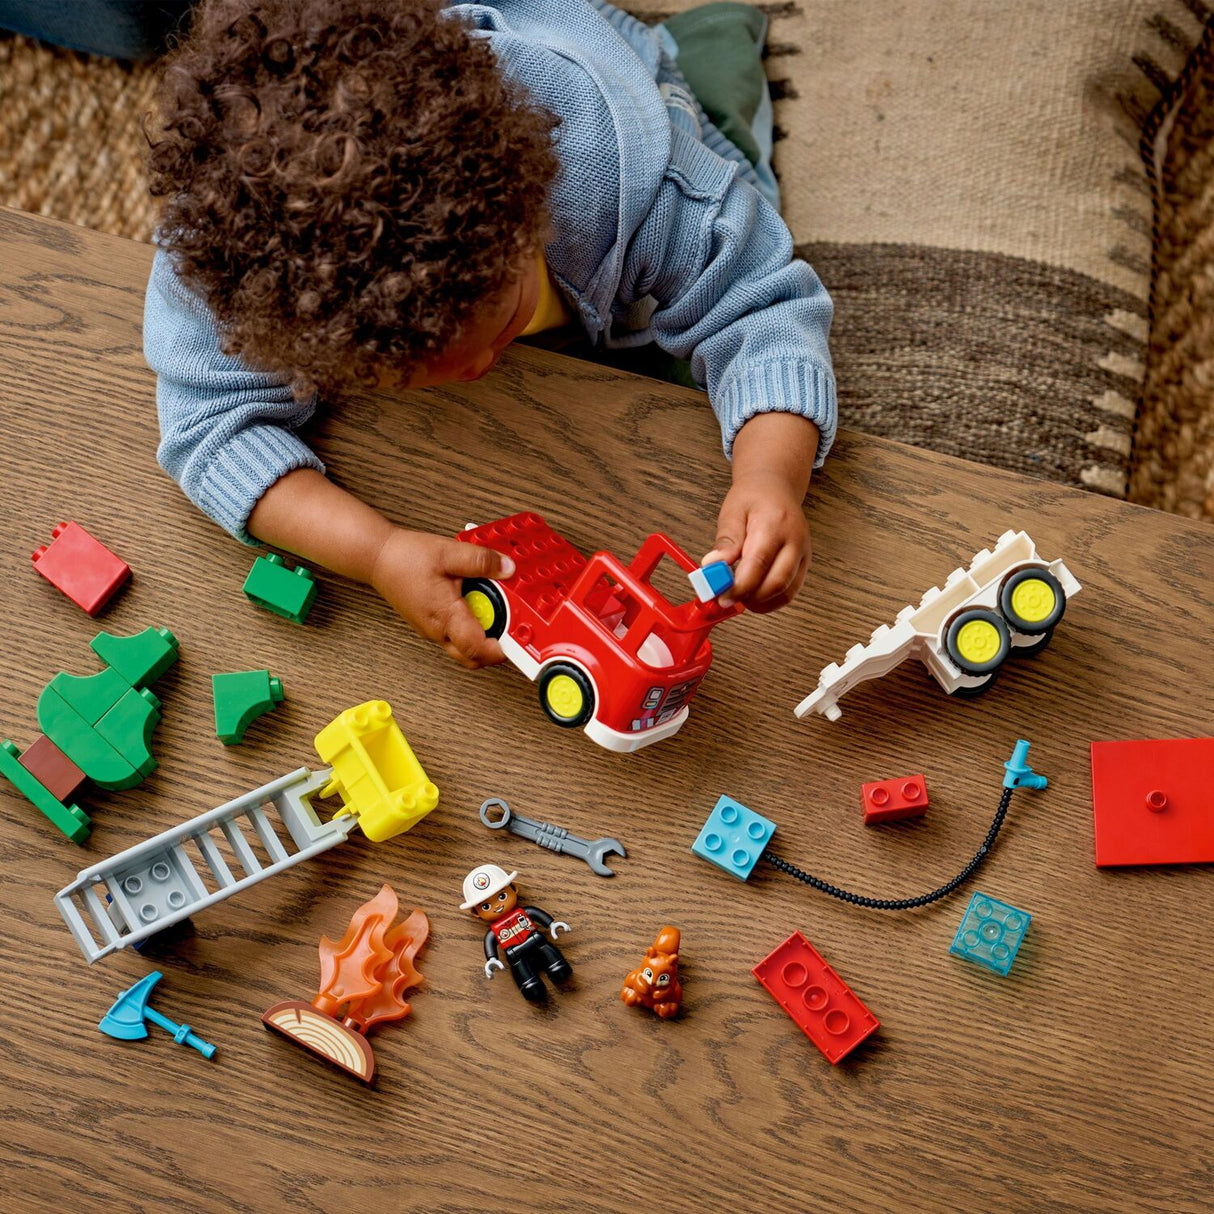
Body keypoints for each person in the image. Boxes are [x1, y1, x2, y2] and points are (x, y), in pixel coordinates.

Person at [144, 0, 836, 669]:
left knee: (735, 192)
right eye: (408, 375)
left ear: (529, 205)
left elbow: (763, 304)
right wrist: (378, 553)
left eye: (504, 319)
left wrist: (771, 475)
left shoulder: (609, 168)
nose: (479, 367)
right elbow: (208, 427)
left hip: (612, 102)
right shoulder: (233, 277)